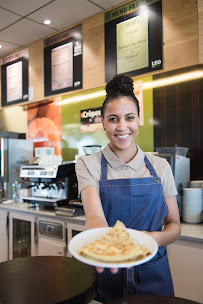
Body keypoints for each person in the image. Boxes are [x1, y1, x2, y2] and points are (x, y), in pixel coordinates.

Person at [75, 74, 181, 302]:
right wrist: (106, 244)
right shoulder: (87, 164)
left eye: (129, 117)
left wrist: (152, 239)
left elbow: (174, 225)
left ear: (139, 120)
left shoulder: (160, 166)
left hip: (154, 272)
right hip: (108, 269)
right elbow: (95, 217)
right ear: (102, 122)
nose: (122, 127)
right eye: (113, 119)